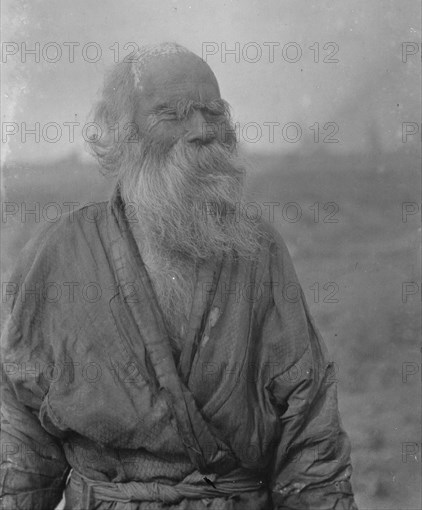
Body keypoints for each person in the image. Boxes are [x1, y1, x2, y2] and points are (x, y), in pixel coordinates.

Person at [1, 43, 358, 509]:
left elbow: (308, 429)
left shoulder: (258, 251)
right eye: (171, 114)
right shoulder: (59, 253)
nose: (201, 131)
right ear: (122, 133)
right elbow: (23, 439)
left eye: (213, 112)